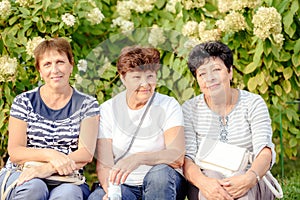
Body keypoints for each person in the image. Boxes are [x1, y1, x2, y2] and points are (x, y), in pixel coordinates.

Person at [0, 37, 100, 200]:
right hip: (24, 172)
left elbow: (85, 154)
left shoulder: (87, 104)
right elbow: (16, 151)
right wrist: (51, 155)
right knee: (34, 188)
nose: (55, 70)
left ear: (71, 65)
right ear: (39, 70)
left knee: (69, 195)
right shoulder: (23, 101)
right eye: (47, 64)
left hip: (67, 178)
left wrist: (48, 168)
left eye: (60, 62)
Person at [88, 46, 187, 200]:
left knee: (159, 175)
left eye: (150, 76)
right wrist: (111, 193)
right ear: (122, 77)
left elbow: (177, 156)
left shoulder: (168, 105)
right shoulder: (107, 110)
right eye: (136, 77)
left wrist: (139, 158)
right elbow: (104, 165)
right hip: (125, 185)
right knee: (97, 198)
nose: (145, 84)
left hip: (163, 184)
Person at [182, 41, 277, 200]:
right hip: (207, 179)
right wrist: (205, 183)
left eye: (216, 70)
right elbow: (187, 159)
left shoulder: (253, 103)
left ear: (230, 72)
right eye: (202, 74)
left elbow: (265, 151)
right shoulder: (189, 109)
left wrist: (247, 179)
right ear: (197, 80)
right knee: (212, 189)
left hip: (251, 177)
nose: (210, 78)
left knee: (242, 193)